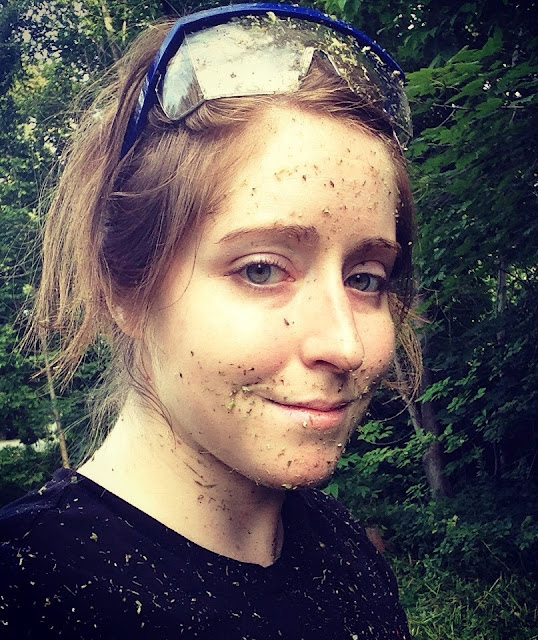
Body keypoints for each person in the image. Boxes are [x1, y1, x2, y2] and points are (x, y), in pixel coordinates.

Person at [0, 4, 419, 638]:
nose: (345, 344)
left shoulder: (347, 557)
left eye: (365, 278)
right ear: (126, 286)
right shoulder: (29, 592)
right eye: (262, 269)